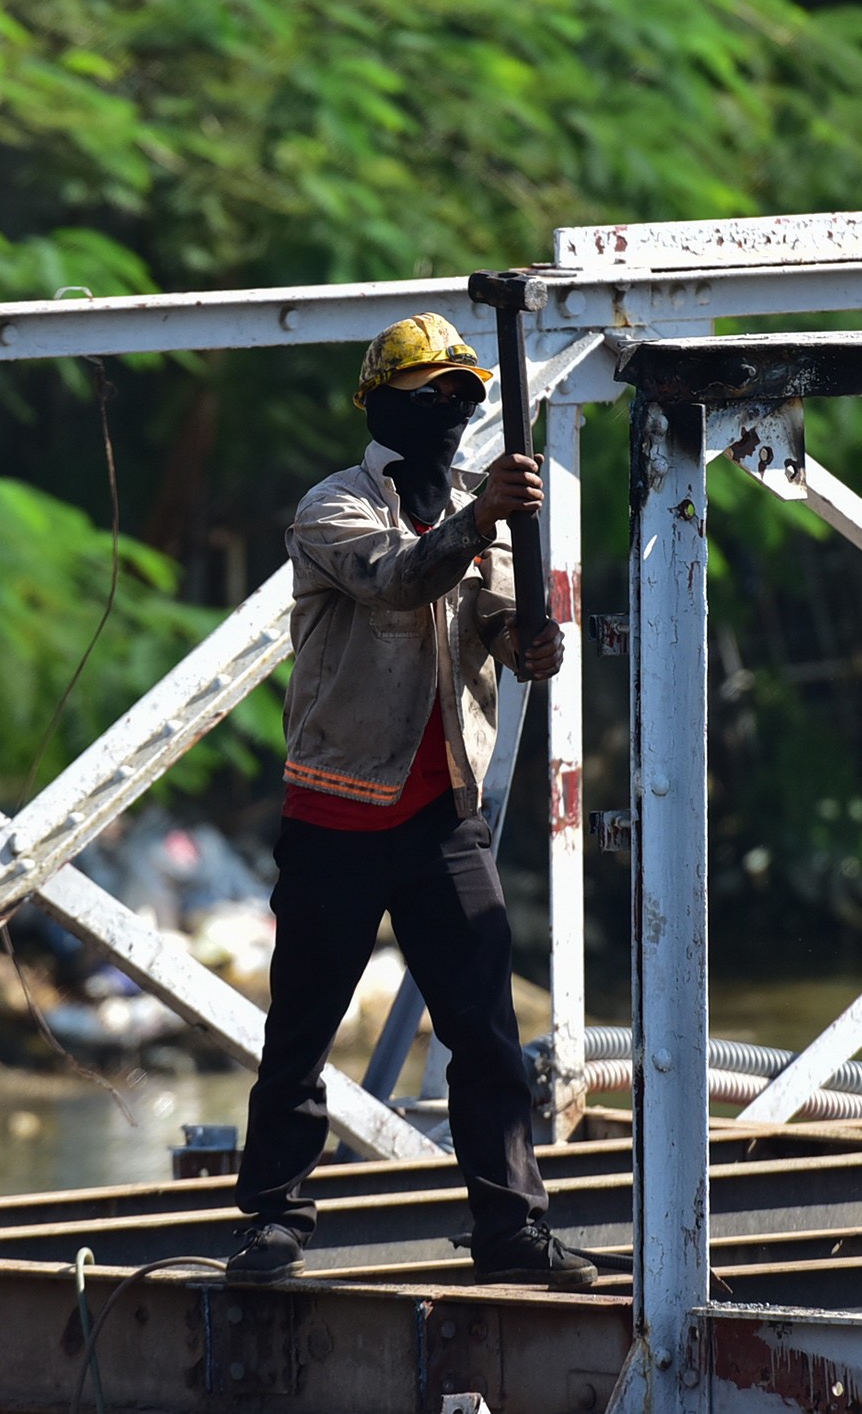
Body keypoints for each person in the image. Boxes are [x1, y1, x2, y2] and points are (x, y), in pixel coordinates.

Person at [227, 312, 595, 1289]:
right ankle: (271, 1222)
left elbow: (501, 622)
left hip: (443, 818)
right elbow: (394, 583)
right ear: (382, 404)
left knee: (483, 1034)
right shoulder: (330, 510)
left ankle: (511, 1231)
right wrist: (476, 530)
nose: (456, 406)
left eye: (466, 392)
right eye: (434, 391)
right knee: (300, 1031)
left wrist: (529, 643)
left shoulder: (490, 512)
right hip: (336, 816)